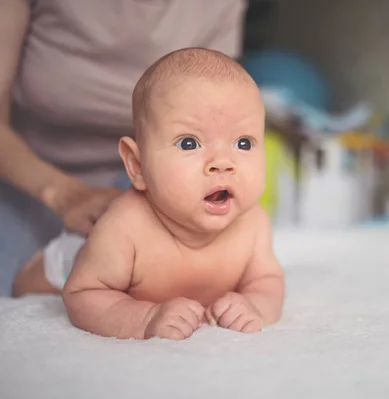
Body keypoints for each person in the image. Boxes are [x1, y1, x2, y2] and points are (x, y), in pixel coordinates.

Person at [15, 47, 285, 340]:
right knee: (29, 283)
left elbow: (267, 281)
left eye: (243, 143)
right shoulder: (125, 226)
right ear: (137, 165)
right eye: (189, 144)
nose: (222, 163)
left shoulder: (253, 223)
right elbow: (83, 293)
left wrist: (254, 306)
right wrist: (145, 318)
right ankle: (40, 264)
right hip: (77, 262)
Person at [0, 0, 248, 296]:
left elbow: (216, 118)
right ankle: (55, 268)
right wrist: (63, 193)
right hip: (23, 170)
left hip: (151, 171)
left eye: (245, 144)